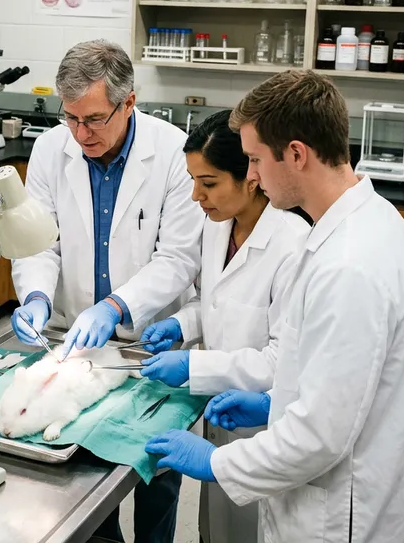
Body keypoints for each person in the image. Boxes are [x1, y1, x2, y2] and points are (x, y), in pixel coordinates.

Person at [145, 70, 404, 543]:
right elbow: (345, 383)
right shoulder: (364, 223)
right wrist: (276, 403)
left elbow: (319, 437)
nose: (251, 175)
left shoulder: (348, 265)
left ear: (296, 154)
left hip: (342, 515)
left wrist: (216, 461)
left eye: (254, 159)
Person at [11, 40, 203, 543]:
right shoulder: (53, 148)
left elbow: (179, 256)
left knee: (155, 474)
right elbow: (37, 241)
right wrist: (35, 296)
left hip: (149, 343)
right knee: (84, 475)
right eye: (70, 118)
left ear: (129, 102)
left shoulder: (171, 153)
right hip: (69, 337)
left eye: (94, 119)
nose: (80, 134)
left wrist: (116, 304)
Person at [138, 110, 309, 543]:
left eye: (208, 182)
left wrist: (195, 368)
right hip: (220, 417)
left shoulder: (293, 246)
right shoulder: (216, 226)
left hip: (265, 428)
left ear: (251, 176)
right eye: (194, 181)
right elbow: (213, 301)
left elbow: (282, 360)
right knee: (215, 531)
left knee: (252, 531)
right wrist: (180, 324)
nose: (196, 195)